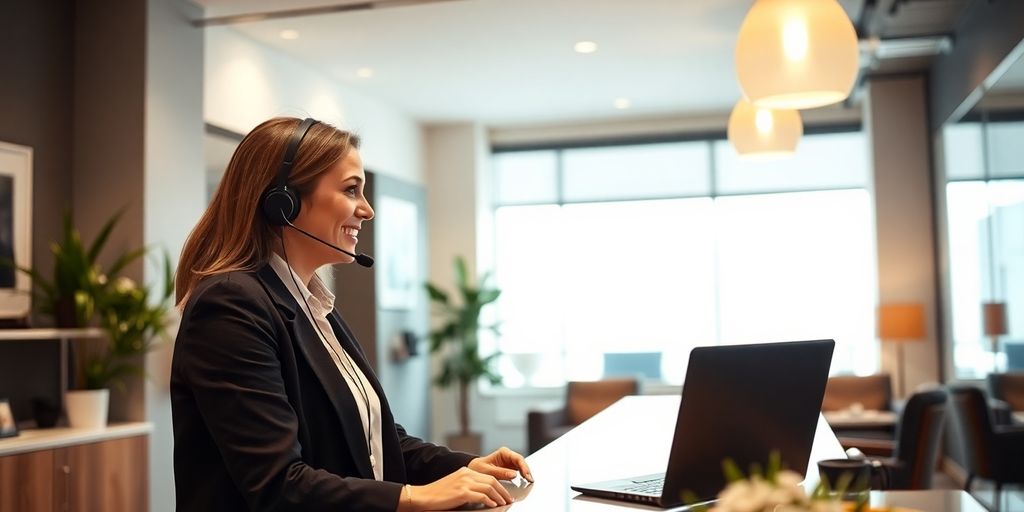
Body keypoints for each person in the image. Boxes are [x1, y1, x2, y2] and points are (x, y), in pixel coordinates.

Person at [171, 117, 533, 512]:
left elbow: (373, 439)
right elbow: (277, 483)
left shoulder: (312, 305)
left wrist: (464, 466)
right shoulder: (230, 305)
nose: (368, 210)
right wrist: (413, 496)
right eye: (351, 190)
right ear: (282, 202)